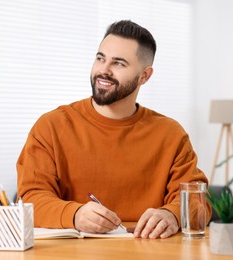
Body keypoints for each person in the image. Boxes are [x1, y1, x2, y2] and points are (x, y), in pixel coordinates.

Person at [17, 20, 211, 239]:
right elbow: (31, 198)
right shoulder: (51, 126)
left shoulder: (171, 134)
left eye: (118, 63)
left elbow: (197, 199)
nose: (104, 70)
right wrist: (75, 214)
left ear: (144, 76)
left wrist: (173, 215)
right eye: (100, 58)